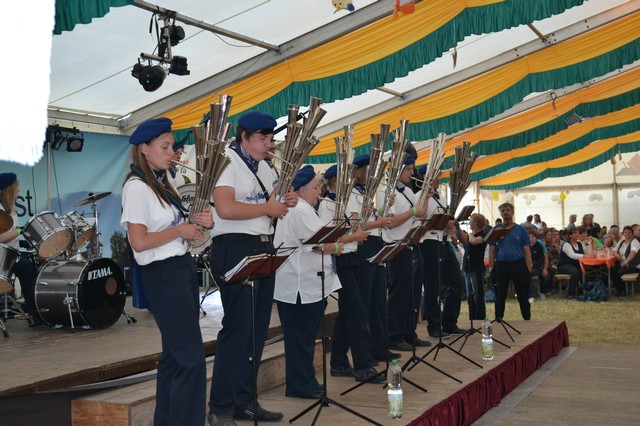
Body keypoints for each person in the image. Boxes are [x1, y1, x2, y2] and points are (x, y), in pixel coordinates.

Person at [120, 118, 213, 426]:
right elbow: (139, 242)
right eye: (165, 146)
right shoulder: (136, 187)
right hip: (163, 275)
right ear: (144, 149)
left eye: (172, 146)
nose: (172, 152)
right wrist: (179, 230)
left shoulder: (160, 182)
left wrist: (199, 225)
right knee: (190, 360)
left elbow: (177, 232)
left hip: (179, 269)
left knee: (174, 358)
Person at [207, 111, 297, 426]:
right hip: (234, 246)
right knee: (238, 330)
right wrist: (267, 207)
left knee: (257, 330)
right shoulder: (227, 162)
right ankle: (220, 407)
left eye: (271, 138)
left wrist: (284, 201)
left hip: (262, 245)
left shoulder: (265, 166)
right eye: (263, 138)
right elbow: (225, 208)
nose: (269, 144)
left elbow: (269, 207)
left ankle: (244, 401)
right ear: (244, 137)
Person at [273, 165, 342, 399]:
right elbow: (317, 244)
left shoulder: (306, 209)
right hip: (298, 286)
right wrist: (337, 246)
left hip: (306, 284)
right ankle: (300, 385)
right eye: (314, 187)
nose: (319, 192)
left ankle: (305, 381)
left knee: (304, 338)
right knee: (300, 339)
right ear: (301, 190)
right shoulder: (300, 210)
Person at [317, 159, 385, 384]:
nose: (349, 183)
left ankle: (338, 362)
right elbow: (328, 238)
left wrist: (364, 216)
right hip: (340, 258)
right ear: (334, 182)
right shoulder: (327, 205)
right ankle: (362, 365)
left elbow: (356, 226)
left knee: (348, 312)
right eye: (344, 180)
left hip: (353, 256)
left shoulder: (344, 202)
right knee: (356, 311)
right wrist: (355, 234)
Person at [351, 154, 397, 363]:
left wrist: (383, 211)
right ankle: (366, 350)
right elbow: (357, 224)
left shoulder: (366, 193)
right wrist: (379, 222)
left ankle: (380, 346)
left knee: (379, 299)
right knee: (366, 300)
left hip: (376, 242)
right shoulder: (354, 193)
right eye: (372, 171)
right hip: (365, 244)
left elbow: (374, 218)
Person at [380, 156, 429, 350]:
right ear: (398, 170)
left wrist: (426, 197)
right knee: (399, 294)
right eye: (408, 169)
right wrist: (412, 212)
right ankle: (394, 335)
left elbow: (421, 214)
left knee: (413, 294)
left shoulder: (407, 191)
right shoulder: (387, 192)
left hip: (411, 244)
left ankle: (409, 332)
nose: (412, 172)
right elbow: (390, 222)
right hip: (397, 247)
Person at [420, 171, 466, 337]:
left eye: (439, 176)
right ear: (425, 177)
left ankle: (449, 322)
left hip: (444, 242)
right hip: (429, 242)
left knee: (457, 282)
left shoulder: (441, 197)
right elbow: (422, 221)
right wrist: (443, 223)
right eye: (436, 176)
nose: (439, 179)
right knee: (432, 286)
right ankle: (434, 326)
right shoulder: (420, 197)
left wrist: (451, 226)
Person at [0, 172, 40, 325]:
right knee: (27, 268)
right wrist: (20, 231)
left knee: (33, 262)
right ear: (9, 190)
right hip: (3, 257)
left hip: (11, 253)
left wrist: (22, 242)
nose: (19, 191)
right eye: (17, 188)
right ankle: (33, 312)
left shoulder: (10, 209)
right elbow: (1, 237)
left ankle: (34, 308)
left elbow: (10, 235)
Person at [488, 202, 532, 321]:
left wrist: (528, 269)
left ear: (512, 212)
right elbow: (491, 250)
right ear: (500, 214)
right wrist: (491, 268)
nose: (505, 212)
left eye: (507, 210)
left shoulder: (521, 230)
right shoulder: (496, 230)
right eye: (503, 211)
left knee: (522, 295)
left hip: (518, 264)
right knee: (500, 295)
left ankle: (527, 319)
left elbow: (527, 250)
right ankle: (498, 319)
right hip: (501, 265)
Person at [459, 213, 488, 321]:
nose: (469, 223)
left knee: (477, 295)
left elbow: (473, 241)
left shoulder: (483, 235)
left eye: (471, 221)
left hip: (476, 268)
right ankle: (472, 318)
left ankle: (480, 317)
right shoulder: (471, 235)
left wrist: (470, 234)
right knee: (470, 295)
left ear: (476, 223)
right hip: (468, 267)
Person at [557, 226, 589, 299]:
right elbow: (572, 255)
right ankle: (571, 294)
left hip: (575, 265)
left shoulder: (580, 243)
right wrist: (584, 256)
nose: (577, 235)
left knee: (587, 270)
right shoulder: (566, 244)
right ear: (570, 235)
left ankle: (582, 291)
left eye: (578, 233)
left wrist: (589, 243)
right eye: (575, 233)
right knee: (575, 272)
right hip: (564, 266)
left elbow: (587, 252)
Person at [611, 225, 640, 296]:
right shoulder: (622, 241)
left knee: (618, 273)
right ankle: (620, 289)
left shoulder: (635, 241)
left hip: (634, 265)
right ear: (623, 233)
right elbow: (614, 250)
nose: (627, 234)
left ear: (632, 233)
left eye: (629, 232)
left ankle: (623, 291)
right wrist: (617, 255)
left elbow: (633, 252)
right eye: (625, 232)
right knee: (611, 271)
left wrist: (626, 261)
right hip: (622, 264)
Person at [529, 229, 551, 300]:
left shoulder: (540, 246)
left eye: (533, 237)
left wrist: (533, 264)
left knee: (545, 275)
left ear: (536, 238)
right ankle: (530, 295)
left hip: (538, 267)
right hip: (528, 268)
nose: (531, 239)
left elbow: (541, 260)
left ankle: (542, 292)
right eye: (529, 237)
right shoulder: (526, 247)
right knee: (526, 274)